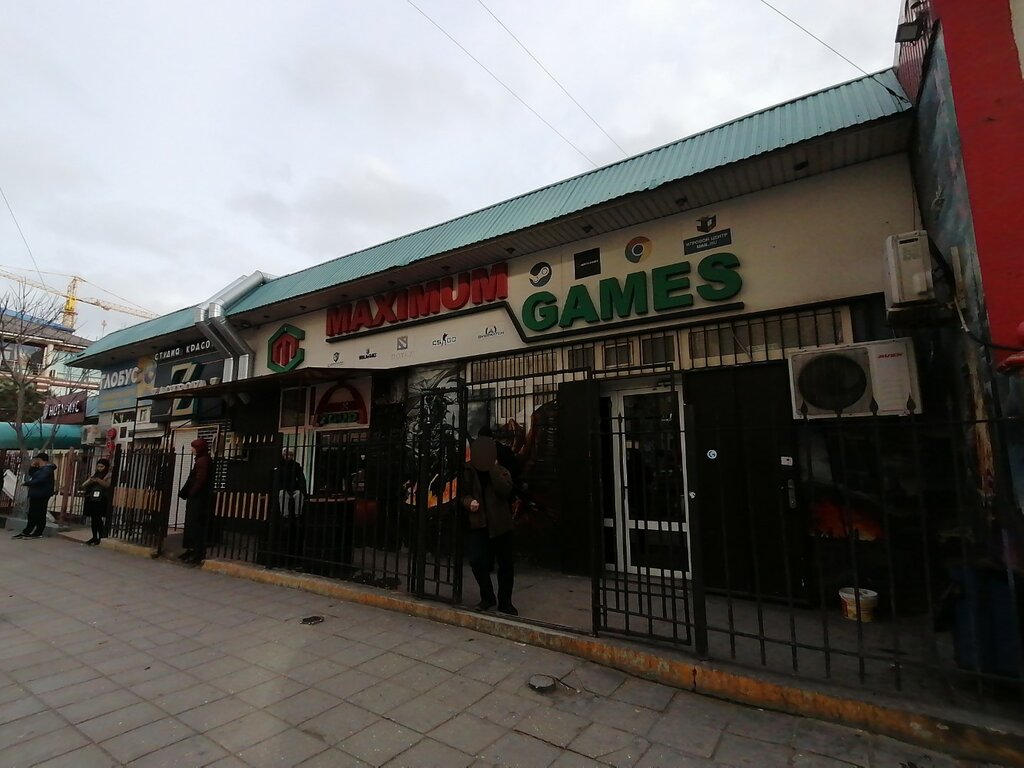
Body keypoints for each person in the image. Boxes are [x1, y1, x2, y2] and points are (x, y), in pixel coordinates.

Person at [461, 434, 517, 615]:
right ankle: (487, 596)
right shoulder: (468, 470)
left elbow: (505, 489)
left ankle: (505, 602)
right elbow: (462, 494)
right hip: (479, 523)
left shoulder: (500, 469)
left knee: (505, 564)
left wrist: (493, 467)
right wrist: (468, 502)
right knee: (477, 560)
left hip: (500, 524)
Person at [178, 438, 213, 564]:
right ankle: (191, 549)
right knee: (191, 524)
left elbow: (200, 479)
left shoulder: (202, 461)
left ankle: (196, 552)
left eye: (193, 447)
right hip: (198, 497)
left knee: (195, 524)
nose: (191, 449)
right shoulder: (201, 460)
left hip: (198, 498)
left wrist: (192, 492)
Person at [273, 449, 307, 567]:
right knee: (282, 495)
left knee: (299, 495)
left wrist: (301, 490)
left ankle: (297, 516)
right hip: (284, 489)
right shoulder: (279, 466)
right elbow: (277, 480)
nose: (289, 456)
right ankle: (285, 516)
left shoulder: (296, 466)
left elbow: (301, 479)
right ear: (283, 455)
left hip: (294, 489)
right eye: (287, 454)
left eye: (291, 455)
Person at [14, 453, 58, 539]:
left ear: (40, 459)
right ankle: (27, 531)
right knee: (33, 513)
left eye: (36, 459)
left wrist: (27, 483)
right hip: (36, 494)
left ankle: (37, 532)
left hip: (41, 495)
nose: (35, 460)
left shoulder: (47, 469)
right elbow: (32, 474)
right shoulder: (41, 468)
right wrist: (33, 466)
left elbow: (40, 480)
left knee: (39, 513)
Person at [81, 458, 113, 545]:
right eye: (98, 466)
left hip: (101, 499)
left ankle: (101, 537)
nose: (99, 468)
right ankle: (94, 537)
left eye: (102, 467)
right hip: (92, 499)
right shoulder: (95, 475)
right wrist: (90, 480)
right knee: (93, 519)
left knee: (98, 519)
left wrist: (98, 480)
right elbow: (83, 485)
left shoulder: (108, 475)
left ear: (106, 467)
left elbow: (107, 485)